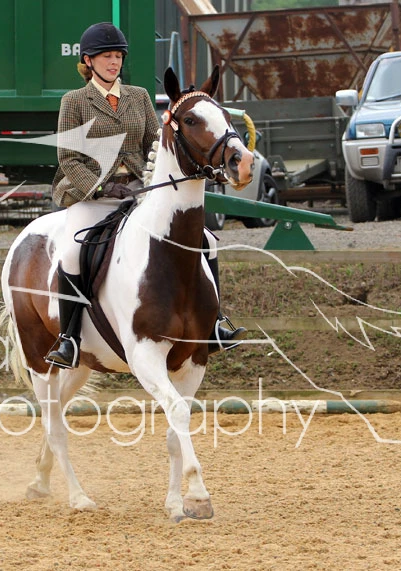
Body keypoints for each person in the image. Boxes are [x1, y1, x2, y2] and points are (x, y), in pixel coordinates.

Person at [45, 22, 246, 369]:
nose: (114, 62)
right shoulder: (74, 102)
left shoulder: (138, 96)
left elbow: (155, 144)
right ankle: (69, 339)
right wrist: (101, 186)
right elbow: (68, 158)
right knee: (73, 253)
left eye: (118, 56)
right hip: (92, 195)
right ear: (88, 61)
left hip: (140, 189)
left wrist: (155, 178)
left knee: (207, 240)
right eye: (106, 57)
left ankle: (213, 325)